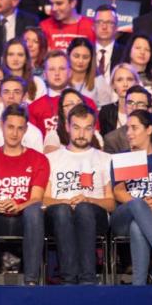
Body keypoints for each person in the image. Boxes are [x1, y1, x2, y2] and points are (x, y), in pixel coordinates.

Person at [0, 104, 48, 285]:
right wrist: (0, 205)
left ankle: (31, 280)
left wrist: (19, 205)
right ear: (2, 126)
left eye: (20, 128)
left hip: (25, 218)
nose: (14, 133)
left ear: (26, 130)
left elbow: (37, 197)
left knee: (34, 211)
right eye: (10, 127)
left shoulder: (39, 159)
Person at [43, 105, 114, 284]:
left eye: (87, 128)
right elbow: (43, 198)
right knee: (61, 210)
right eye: (76, 127)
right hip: (58, 216)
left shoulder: (105, 159)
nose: (81, 134)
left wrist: (88, 199)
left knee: (84, 209)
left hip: (94, 217)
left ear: (94, 129)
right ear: (67, 127)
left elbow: (111, 203)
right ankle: (69, 280)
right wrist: (64, 202)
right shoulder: (51, 159)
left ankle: (87, 279)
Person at [110, 109, 152, 285]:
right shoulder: (124, 158)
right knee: (137, 207)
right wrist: (140, 203)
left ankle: (138, 286)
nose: (129, 133)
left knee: (138, 226)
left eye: (134, 128)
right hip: (124, 216)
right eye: (127, 128)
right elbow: (118, 192)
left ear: (149, 130)